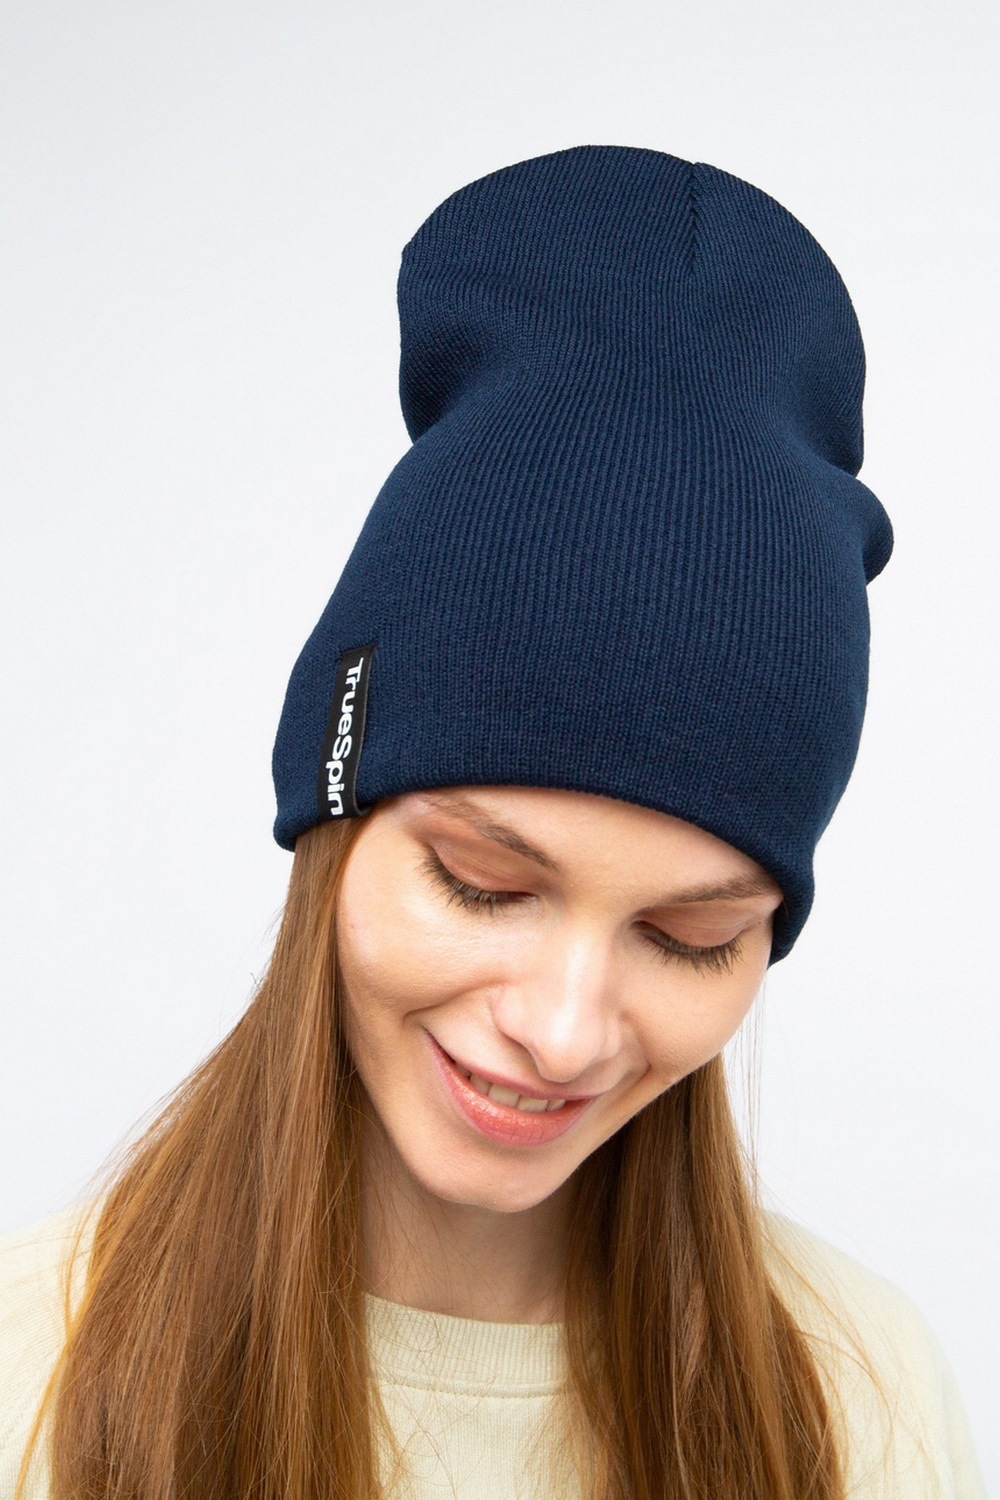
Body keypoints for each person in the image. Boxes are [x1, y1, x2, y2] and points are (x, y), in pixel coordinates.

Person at [0, 144, 986, 1499]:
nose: (564, 1032)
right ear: (337, 822)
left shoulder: (857, 1396)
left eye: (692, 938)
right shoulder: (30, 1372)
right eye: (480, 882)